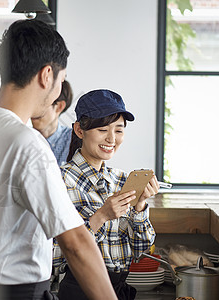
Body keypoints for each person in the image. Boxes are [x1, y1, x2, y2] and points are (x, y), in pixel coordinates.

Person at [0, 20, 117, 300]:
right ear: (47, 75)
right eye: (61, 78)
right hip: (18, 291)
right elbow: (76, 243)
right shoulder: (28, 143)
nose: (58, 90)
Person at [53, 89, 160, 300]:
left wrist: (140, 207)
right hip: (78, 291)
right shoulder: (59, 181)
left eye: (119, 130)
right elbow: (53, 257)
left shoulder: (122, 180)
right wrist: (101, 216)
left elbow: (141, 250)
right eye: (103, 129)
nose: (112, 139)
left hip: (119, 290)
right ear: (79, 130)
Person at [31, 80, 73, 166]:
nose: (34, 110)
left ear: (59, 107)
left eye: (41, 104)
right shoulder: (23, 138)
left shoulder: (74, 140)